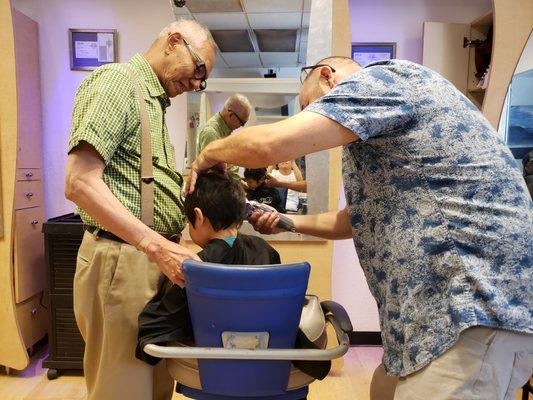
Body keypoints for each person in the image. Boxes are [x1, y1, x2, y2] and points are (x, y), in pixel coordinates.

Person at [187, 56, 533, 399]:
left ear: (327, 77)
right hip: (430, 319)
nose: (315, 126)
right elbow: (354, 219)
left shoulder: (381, 81)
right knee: (382, 391)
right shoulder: (376, 135)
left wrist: (209, 153)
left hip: (471, 304)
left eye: (311, 109)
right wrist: (286, 221)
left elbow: (267, 145)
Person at [64, 19, 217, 400]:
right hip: (125, 260)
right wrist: (156, 245)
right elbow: (80, 182)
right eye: (199, 70)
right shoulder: (119, 82)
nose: (197, 85)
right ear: (174, 42)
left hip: (144, 261)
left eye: (203, 80)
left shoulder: (152, 103)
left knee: (150, 387)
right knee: (124, 388)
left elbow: (133, 180)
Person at [135, 171, 280, 364]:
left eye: (188, 222)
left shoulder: (196, 270)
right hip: (266, 366)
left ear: (198, 216)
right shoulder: (266, 251)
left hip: (214, 368)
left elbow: (154, 326)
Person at [197, 93, 252, 178]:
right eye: (242, 122)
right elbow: (215, 174)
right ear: (230, 115)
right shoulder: (211, 133)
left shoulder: (226, 131)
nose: (242, 126)